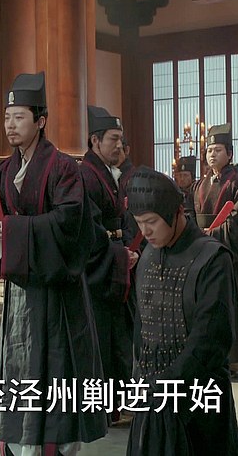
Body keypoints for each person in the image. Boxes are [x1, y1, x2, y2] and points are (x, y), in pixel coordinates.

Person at [0, 72, 106, 455]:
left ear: (40, 120)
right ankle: (17, 440)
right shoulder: (2, 171)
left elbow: (70, 223)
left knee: (56, 368)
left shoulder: (63, 168)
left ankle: (54, 444)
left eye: (19, 117)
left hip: (57, 294)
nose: (10, 125)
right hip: (20, 293)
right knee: (19, 365)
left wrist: (12, 232)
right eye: (7, 117)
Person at [125, 167, 238, 456]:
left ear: (176, 213)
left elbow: (210, 339)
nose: (145, 232)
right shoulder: (148, 254)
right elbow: (142, 326)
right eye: (139, 223)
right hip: (153, 391)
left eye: (151, 222)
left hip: (199, 389)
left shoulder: (211, 258)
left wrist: (171, 383)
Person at [80, 105, 136, 426]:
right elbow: (89, 228)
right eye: (113, 139)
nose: (119, 145)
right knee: (103, 338)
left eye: (120, 139)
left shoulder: (106, 172)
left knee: (117, 336)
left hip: (113, 259)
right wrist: (118, 253)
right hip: (99, 267)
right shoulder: (86, 175)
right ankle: (103, 408)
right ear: (95, 141)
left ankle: (116, 405)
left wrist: (125, 249)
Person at [188, 123, 238, 376]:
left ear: (229, 153)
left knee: (229, 306)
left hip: (227, 255)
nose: (212, 155)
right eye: (209, 150)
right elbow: (189, 214)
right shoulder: (199, 184)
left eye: (217, 150)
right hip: (201, 253)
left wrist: (211, 234)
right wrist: (195, 234)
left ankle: (232, 359)